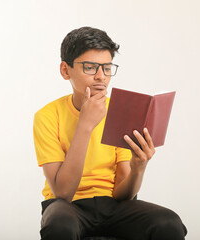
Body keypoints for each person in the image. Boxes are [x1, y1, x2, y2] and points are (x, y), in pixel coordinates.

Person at [33, 26, 187, 240]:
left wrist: (137, 168)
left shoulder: (119, 111)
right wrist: (85, 125)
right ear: (65, 70)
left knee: (168, 222)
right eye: (90, 67)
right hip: (67, 207)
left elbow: (124, 194)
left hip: (112, 205)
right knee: (60, 225)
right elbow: (63, 192)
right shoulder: (47, 116)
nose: (100, 77)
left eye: (106, 68)